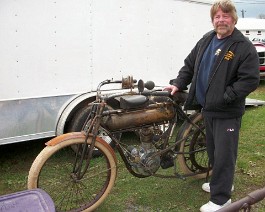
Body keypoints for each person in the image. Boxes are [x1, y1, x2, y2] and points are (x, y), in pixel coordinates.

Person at [164, 0, 260, 211]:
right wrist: (178, 84)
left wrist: (225, 96)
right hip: (208, 109)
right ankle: (222, 183)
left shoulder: (243, 47)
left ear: (234, 19)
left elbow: (250, 79)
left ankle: (221, 199)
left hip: (227, 111)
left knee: (225, 153)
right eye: (217, 16)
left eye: (225, 16)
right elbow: (189, 65)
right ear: (212, 20)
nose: (221, 20)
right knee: (214, 150)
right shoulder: (207, 39)